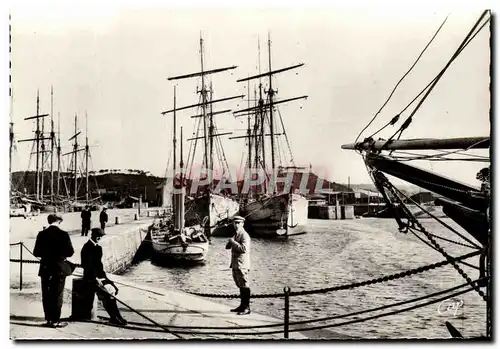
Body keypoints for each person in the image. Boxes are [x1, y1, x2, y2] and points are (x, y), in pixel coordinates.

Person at [33, 213, 75, 328]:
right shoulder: (63, 234)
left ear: (49, 221)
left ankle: (48, 319)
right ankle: (55, 320)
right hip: (58, 268)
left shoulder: (41, 234)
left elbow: (36, 252)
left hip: (45, 268)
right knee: (57, 295)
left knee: (46, 294)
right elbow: (70, 252)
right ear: (59, 221)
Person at [80, 227, 127, 326]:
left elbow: (99, 266)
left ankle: (116, 316)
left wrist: (106, 279)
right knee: (107, 294)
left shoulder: (98, 248)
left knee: (113, 289)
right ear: (92, 235)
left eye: (100, 236)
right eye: (97, 236)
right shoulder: (87, 248)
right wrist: (96, 279)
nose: (99, 238)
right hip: (90, 278)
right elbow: (87, 265)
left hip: (99, 276)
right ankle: (114, 317)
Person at [225, 215, 251, 315]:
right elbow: (229, 247)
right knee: (240, 284)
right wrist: (230, 243)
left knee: (244, 284)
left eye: (238, 223)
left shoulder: (244, 235)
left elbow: (244, 249)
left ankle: (246, 307)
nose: (236, 225)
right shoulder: (236, 234)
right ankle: (242, 306)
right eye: (234, 223)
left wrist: (233, 242)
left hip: (242, 264)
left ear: (242, 224)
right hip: (236, 264)